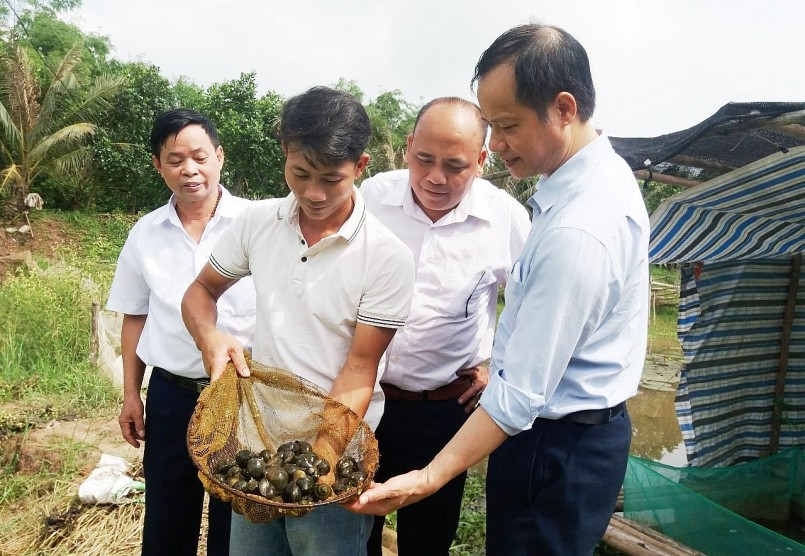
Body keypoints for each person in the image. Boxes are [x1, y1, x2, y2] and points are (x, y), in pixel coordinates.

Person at [348, 23, 650, 556]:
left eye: (506, 126)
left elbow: (519, 395)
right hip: (526, 430)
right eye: (492, 125)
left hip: (554, 440)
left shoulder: (578, 228)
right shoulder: (584, 184)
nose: (500, 143)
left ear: (563, 108)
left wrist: (428, 477)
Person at [181, 86, 416, 556]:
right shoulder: (258, 222)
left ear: (361, 166)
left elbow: (359, 369)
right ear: (285, 153)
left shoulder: (387, 256)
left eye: (332, 178)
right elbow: (200, 292)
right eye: (300, 173)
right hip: (259, 445)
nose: (313, 193)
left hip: (337, 448)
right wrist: (209, 335)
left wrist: (317, 466)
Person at [360, 97, 530, 555]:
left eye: (455, 165)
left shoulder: (505, 219)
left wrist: (500, 366)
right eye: (424, 159)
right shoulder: (371, 200)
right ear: (407, 147)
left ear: (481, 159)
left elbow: (532, 304)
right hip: (364, 402)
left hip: (444, 411)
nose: (436, 177)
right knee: (355, 531)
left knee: (428, 539)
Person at [106, 108, 256, 556]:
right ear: (158, 165)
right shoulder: (145, 233)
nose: (189, 170)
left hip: (242, 396)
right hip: (171, 397)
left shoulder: (259, 223)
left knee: (237, 526)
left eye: (199, 156)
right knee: (168, 523)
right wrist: (132, 395)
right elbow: (135, 315)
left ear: (219, 157)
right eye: (175, 160)